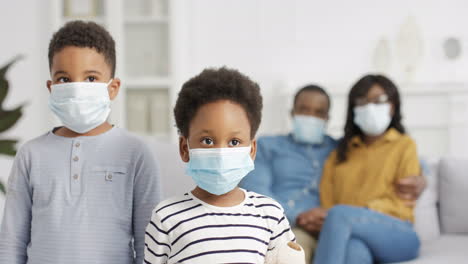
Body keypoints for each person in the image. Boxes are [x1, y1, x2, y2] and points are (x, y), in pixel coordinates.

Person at [0, 21, 161, 264]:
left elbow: (148, 245)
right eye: (64, 79)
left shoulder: (135, 153)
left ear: (113, 88)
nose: (76, 89)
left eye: (90, 78)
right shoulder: (30, 154)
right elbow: (12, 242)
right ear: (51, 87)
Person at [240, 84, 426, 261]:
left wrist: (423, 178)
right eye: (304, 110)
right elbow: (258, 194)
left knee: (327, 235)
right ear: (292, 113)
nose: (311, 117)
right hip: (285, 225)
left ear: (327, 119)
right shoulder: (268, 147)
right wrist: (298, 216)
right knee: (349, 250)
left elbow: (395, 160)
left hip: (327, 229)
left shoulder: (339, 150)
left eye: (319, 112)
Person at [144, 67, 296, 263]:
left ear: (251, 150)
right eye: (207, 140)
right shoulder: (166, 217)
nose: (221, 153)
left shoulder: (270, 214)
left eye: (234, 142)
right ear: (185, 148)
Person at [314, 74, 421, 264]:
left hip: (398, 232)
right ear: (354, 110)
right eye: (362, 101)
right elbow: (327, 204)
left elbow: (403, 200)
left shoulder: (405, 145)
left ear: (392, 106)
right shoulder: (339, 153)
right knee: (356, 252)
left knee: (339, 215)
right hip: (351, 233)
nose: (370, 107)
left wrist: (361, 212)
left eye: (379, 100)